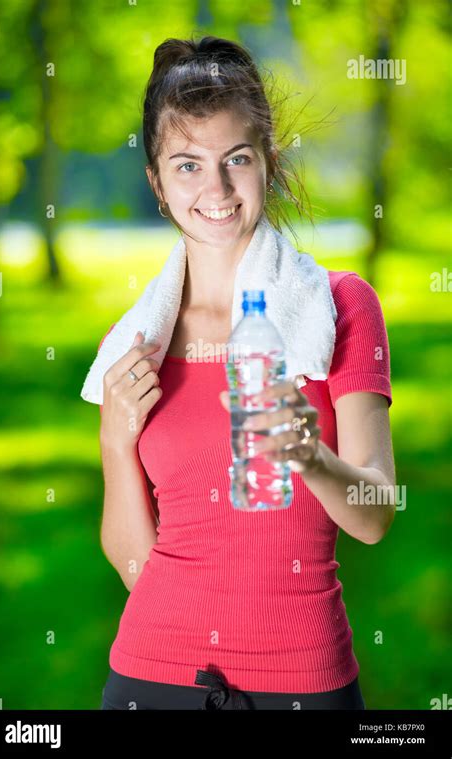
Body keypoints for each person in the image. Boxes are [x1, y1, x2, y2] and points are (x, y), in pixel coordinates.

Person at [96, 35, 395, 710]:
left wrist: (309, 456)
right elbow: (135, 564)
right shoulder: (137, 340)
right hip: (150, 676)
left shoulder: (340, 306)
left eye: (236, 159)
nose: (217, 190)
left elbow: (376, 515)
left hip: (303, 680)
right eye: (187, 165)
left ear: (268, 160)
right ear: (156, 181)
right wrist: (115, 441)